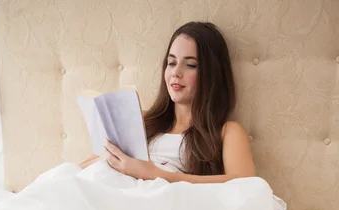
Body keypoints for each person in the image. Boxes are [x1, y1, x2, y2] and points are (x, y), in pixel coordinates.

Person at [80, 21, 256, 183]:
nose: (175, 73)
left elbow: (245, 185)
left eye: (190, 65)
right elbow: (89, 164)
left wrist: (155, 174)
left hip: (154, 201)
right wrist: (104, 158)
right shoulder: (142, 119)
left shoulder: (227, 131)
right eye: (171, 63)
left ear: (212, 74)